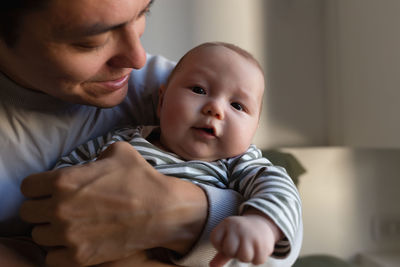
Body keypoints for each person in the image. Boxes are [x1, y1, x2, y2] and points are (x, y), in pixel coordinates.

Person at [0, 0, 302, 266]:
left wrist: (241, 223)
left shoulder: (235, 156)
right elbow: (64, 186)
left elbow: (276, 250)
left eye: (143, 14)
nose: (138, 58)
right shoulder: (132, 136)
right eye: (92, 40)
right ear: (162, 101)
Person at [55, 42, 302, 267]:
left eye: (237, 105)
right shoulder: (125, 140)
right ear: (161, 102)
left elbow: (279, 187)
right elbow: (63, 177)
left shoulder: (238, 163)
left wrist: (262, 223)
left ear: (253, 130)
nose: (215, 108)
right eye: (198, 89)